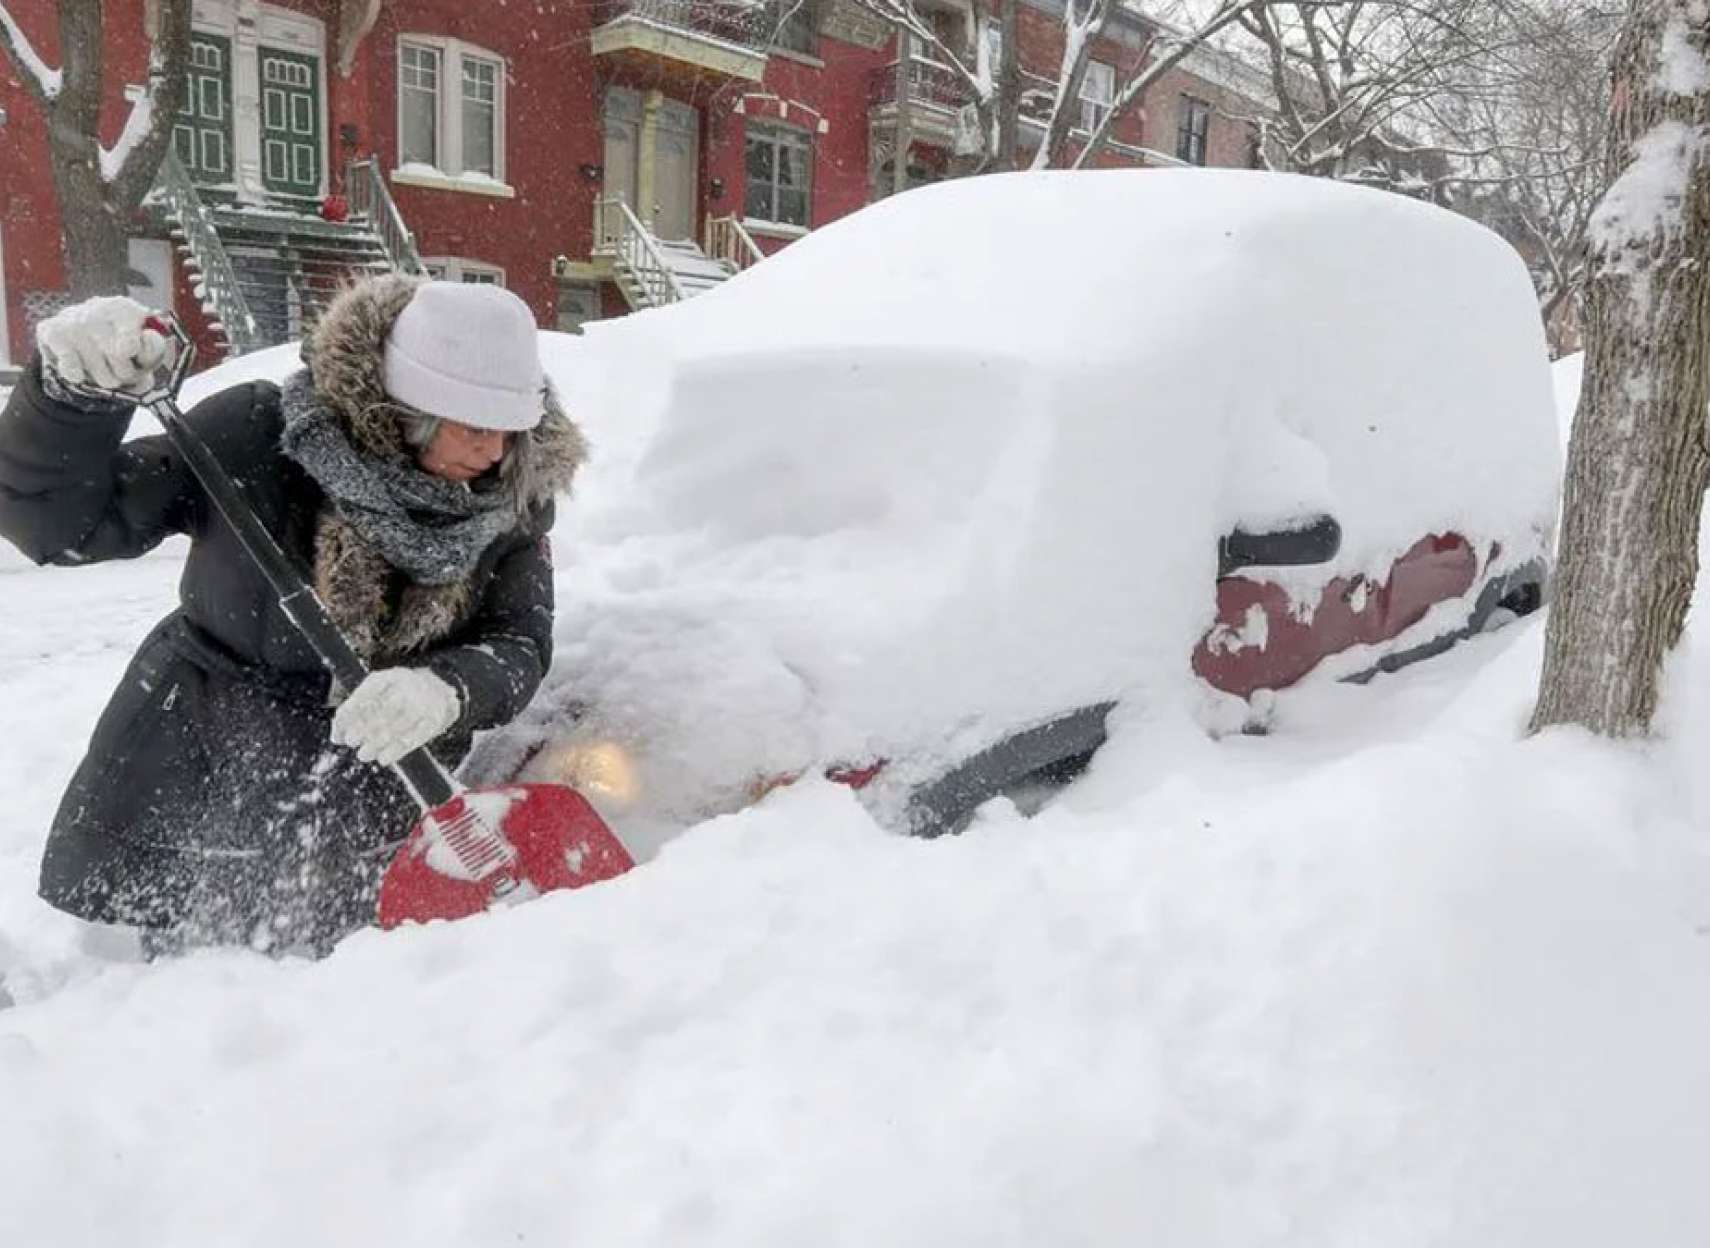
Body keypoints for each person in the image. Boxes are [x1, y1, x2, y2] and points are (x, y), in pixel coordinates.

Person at [0, 276, 585, 954]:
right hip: (206, 756)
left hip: (382, 784)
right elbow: (63, 528)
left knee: (352, 987)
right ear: (404, 410)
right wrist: (65, 404)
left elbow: (517, 638)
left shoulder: (511, 498)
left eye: (512, 432)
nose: (495, 455)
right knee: (181, 987)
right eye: (476, 428)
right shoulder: (256, 436)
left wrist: (446, 689)